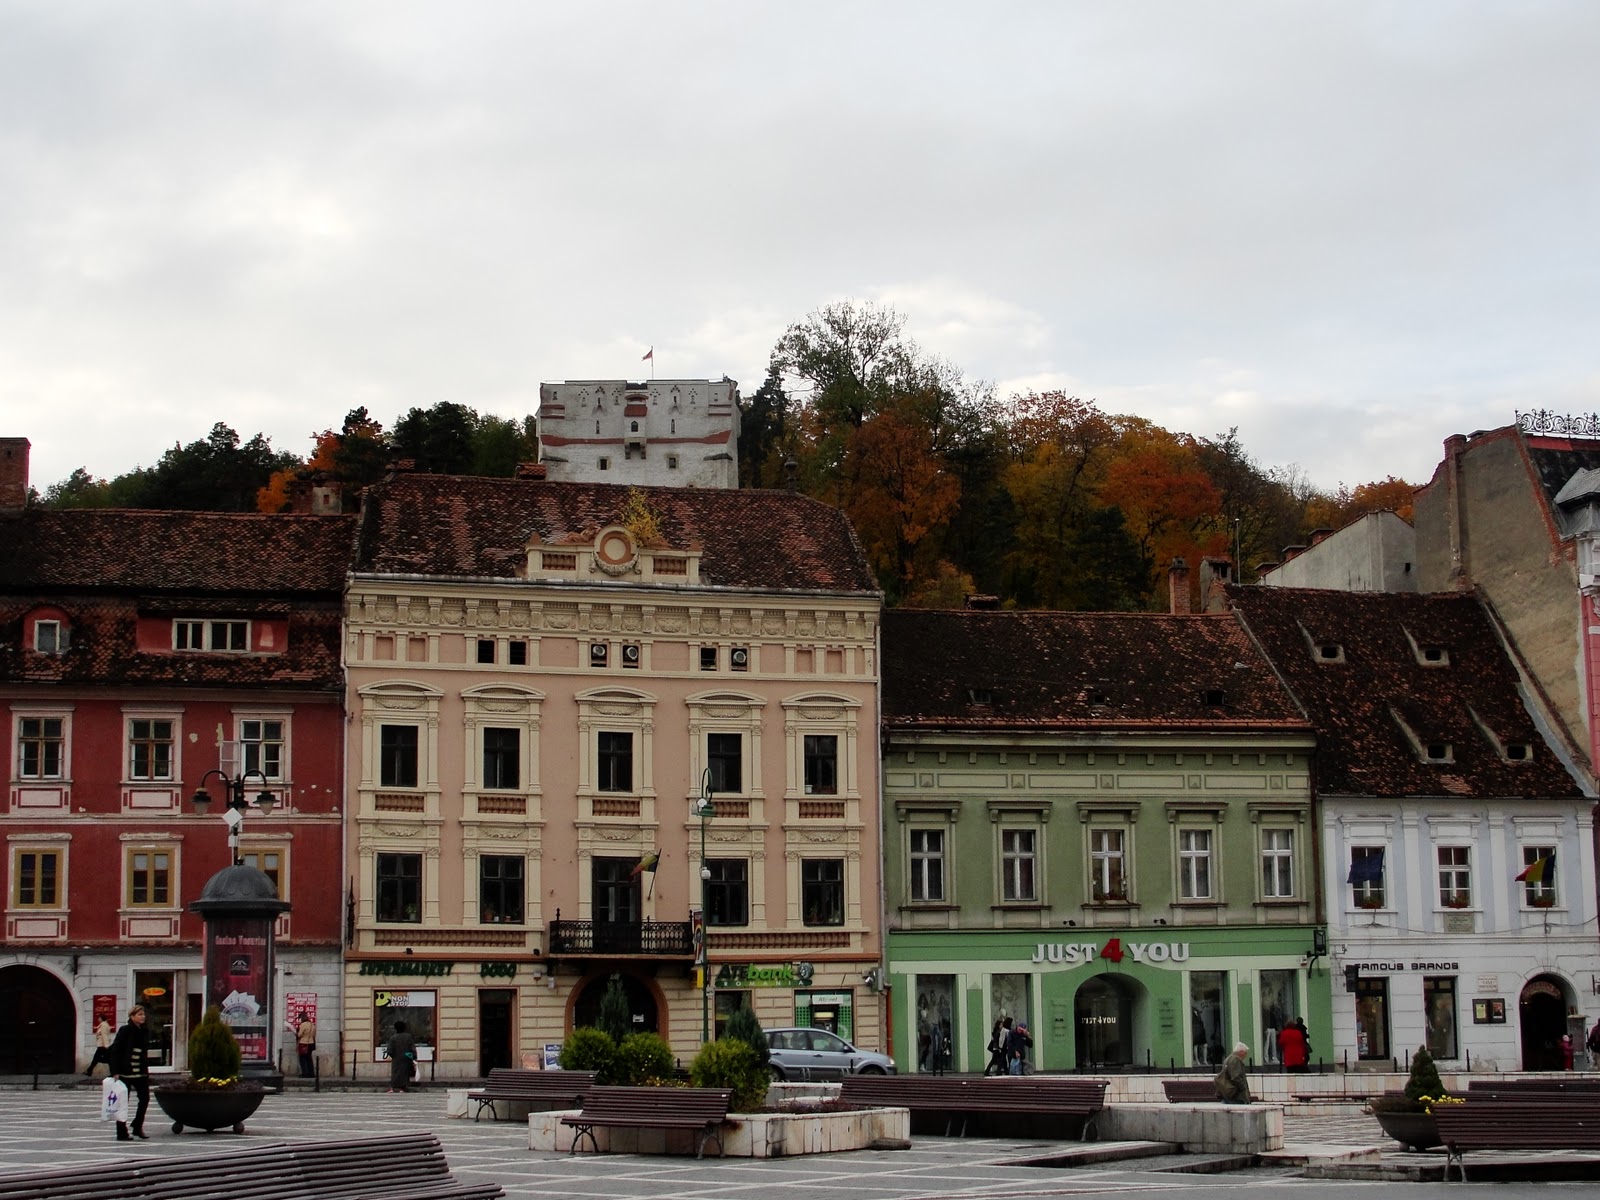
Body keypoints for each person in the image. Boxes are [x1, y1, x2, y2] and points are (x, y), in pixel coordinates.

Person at [108, 1005, 150, 1140]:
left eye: (143, 1014)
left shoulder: (144, 1030)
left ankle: (137, 1126)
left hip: (140, 1072)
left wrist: (146, 1070)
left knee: (145, 1098)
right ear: (132, 1016)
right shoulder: (125, 1030)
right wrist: (115, 1071)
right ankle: (121, 1132)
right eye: (139, 1014)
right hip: (125, 1072)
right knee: (122, 1102)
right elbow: (115, 1051)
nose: (143, 1017)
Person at [386, 1020, 417, 1093]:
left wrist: (394, 1056)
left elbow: (389, 1051)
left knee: (396, 1073)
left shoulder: (393, 1038)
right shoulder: (408, 1037)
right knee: (405, 1073)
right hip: (406, 1059)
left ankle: (394, 1087)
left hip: (396, 1060)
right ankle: (403, 1087)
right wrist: (413, 1057)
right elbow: (412, 1048)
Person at [296, 1011, 318, 1078]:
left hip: (303, 1043)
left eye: (300, 1018)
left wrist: (296, 1032)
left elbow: (299, 1035)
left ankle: (304, 1073)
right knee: (309, 1059)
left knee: (302, 1059)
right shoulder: (312, 1025)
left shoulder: (303, 1025)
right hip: (311, 1043)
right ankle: (311, 1073)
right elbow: (314, 1035)